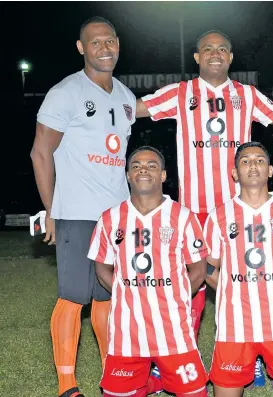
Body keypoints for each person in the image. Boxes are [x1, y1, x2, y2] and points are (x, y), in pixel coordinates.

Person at [136, 29, 273, 389]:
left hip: (241, 210)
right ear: (197, 57)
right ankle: (175, 356)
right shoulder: (180, 93)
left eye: (222, 49)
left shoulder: (247, 96)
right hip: (195, 212)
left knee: (251, 279)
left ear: (231, 57)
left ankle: (256, 355)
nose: (215, 54)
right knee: (191, 286)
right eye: (207, 49)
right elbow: (132, 108)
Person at [30, 16, 137, 397]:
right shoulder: (65, 92)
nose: (105, 48)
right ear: (81, 48)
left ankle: (113, 376)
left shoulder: (125, 97)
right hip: (75, 213)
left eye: (110, 41)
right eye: (96, 43)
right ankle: (66, 385)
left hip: (117, 217)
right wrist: (51, 210)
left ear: (118, 44)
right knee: (74, 296)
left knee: (108, 297)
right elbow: (41, 152)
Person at [87, 146, 209, 397]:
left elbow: (198, 269)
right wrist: (127, 292)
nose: (144, 169)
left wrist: (178, 296)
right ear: (128, 175)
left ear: (163, 175)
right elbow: (102, 268)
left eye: (152, 165)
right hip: (126, 333)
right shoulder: (109, 219)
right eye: (137, 166)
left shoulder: (183, 216)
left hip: (174, 331)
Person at [203, 142, 273, 397]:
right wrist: (231, 291)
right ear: (234, 173)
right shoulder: (219, 215)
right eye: (245, 161)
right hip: (234, 326)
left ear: (271, 170)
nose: (253, 165)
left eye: (260, 160)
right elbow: (208, 267)